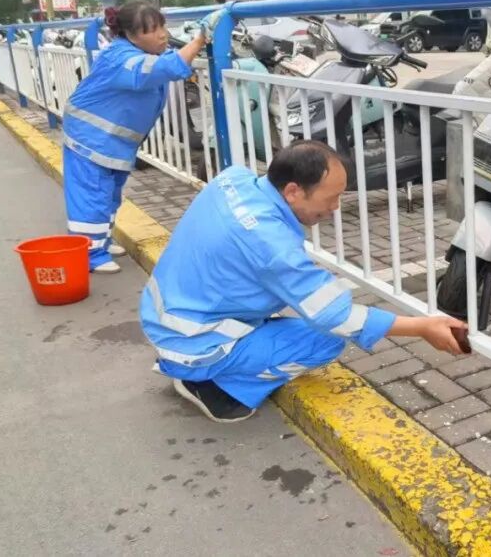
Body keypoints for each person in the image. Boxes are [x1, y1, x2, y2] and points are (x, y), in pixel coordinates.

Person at [142, 141, 468, 423]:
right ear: (293, 191)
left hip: (166, 316)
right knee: (325, 341)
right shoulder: (271, 246)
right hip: (194, 344)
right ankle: (212, 387)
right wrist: (422, 327)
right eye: (331, 198)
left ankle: (210, 363)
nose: (335, 207)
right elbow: (337, 316)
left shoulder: (233, 179)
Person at [62, 1, 214, 273]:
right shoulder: (121, 58)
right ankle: (90, 254)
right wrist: (200, 39)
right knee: (92, 195)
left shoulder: (136, 52)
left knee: (109, 194)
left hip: (110, 141)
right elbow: (161, 69)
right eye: (152, 30)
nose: (162, 35)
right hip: (89, 139)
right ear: (131, 35)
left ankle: (101, 242)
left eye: (162, 26)